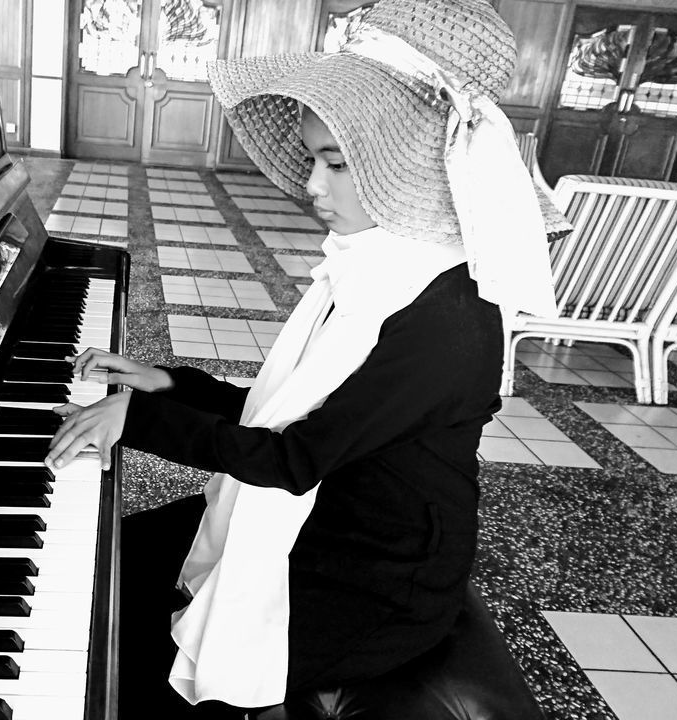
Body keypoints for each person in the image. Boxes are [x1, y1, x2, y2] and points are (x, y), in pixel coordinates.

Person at [45, 0, 571, 717]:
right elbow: (289, 413)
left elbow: (292, 459)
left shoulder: (445, 318)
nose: (313, 188)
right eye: (313, 159)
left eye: (336, 164)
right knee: (99, 565)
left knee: (128, 658)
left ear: (412, 162)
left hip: (375, 578)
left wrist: (139, 421)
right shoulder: (375, 267)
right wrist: (172, 383)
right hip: (326, 510)